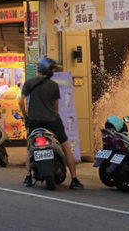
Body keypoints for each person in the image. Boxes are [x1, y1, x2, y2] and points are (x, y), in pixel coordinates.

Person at [19, 57, 82, 189]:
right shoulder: (54, 85)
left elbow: (21, 101)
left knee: (30, 148)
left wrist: (26, 117)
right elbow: (56, 106)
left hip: (35, 121)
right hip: (52, 121)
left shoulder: (30, 82)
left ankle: (28, 177)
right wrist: (53, 116)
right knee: (66, 147)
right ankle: (74, 179)